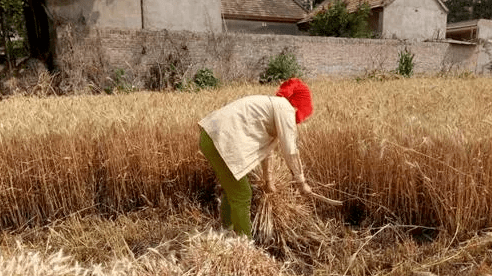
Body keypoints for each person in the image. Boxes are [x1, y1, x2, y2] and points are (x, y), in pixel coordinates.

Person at [198, 78, 313, 238]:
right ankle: (244, 244)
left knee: (233, 190)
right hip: (219, 140)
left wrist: (269, 180)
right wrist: (301, 182)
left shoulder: (274, 106)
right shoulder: (285, 109)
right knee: (243, 194)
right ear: (298, 105)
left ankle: (225, 233)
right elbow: (290, 150)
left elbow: (267, 150)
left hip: (210, 137)